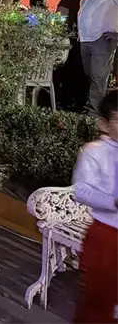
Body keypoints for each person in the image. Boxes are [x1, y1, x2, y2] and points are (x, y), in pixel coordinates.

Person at [72, 89, 118, 323]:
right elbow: (82, 191)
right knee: (98, 300)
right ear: (105, 123)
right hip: (106, 236)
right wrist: (113, 201)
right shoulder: (94, 152)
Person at [78, 0, 118, 116]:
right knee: (90, 75)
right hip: (85, 37)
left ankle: (94, 115)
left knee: (98, 76)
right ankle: (97, 108)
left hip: (103, 37)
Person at [57, 0, 88, 111]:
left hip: (70, 39)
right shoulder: (88, 0)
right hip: (88, 39)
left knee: (68, 70)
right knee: (84, 71)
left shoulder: (66, 1)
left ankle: (67, 100)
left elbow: (59, 21)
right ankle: (83, 101)